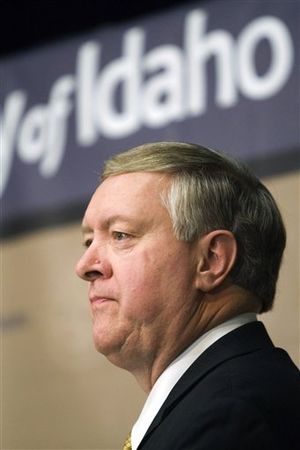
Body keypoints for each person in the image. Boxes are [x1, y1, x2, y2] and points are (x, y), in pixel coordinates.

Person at [76, 142, 300, 450]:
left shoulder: (232, 420)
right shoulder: (219, 401)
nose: (85, 266)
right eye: (88, 241)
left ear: (211, 260)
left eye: (120, 235)